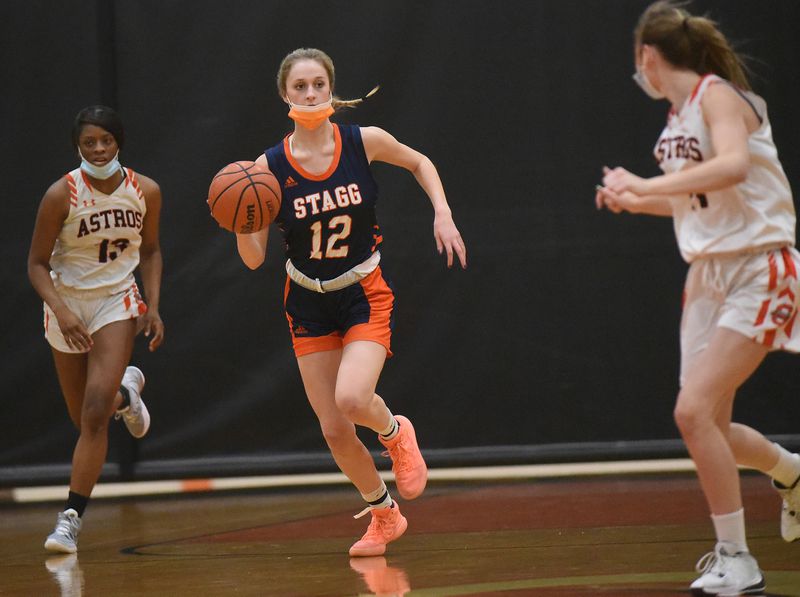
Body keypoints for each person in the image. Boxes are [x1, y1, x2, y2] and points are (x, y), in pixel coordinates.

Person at [596, 2, 800, 594]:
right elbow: (697, 200)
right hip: (708, 277)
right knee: (706, 423)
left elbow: (732, 167)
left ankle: (737, 558)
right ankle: (791, 473)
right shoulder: (675, 121)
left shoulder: (719, 97)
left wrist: (646, 183)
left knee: (692, 412)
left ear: (648, 56)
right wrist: (637, 201)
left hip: (760, 267)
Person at [235, 48, 466, 557]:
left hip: (362, 291)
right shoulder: (266, 168)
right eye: (300, 86)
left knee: (353, 399)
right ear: (284, 94)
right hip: (307, 299)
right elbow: (252, 260)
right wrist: (241, 221)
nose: (310, 94)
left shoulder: (363, 141)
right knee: (335, 430)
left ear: (331, 89)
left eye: (318, 84)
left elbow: (420, 161)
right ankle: (384, 514)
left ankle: (395, 432)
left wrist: (443, 212)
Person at [27, 105, 165, 553]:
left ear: (118, 141)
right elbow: (36, 264)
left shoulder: (144, 190)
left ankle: (69, 520)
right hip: (66, 303)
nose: (99, 148)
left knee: (92, 414)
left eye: (106, 140)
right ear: (78, 146)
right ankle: (126, 393)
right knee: (87, 417)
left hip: (115, 300)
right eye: (90, 142)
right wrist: (60, 310)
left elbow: (150, 251)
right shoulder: (60, 194)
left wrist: (152, 306)